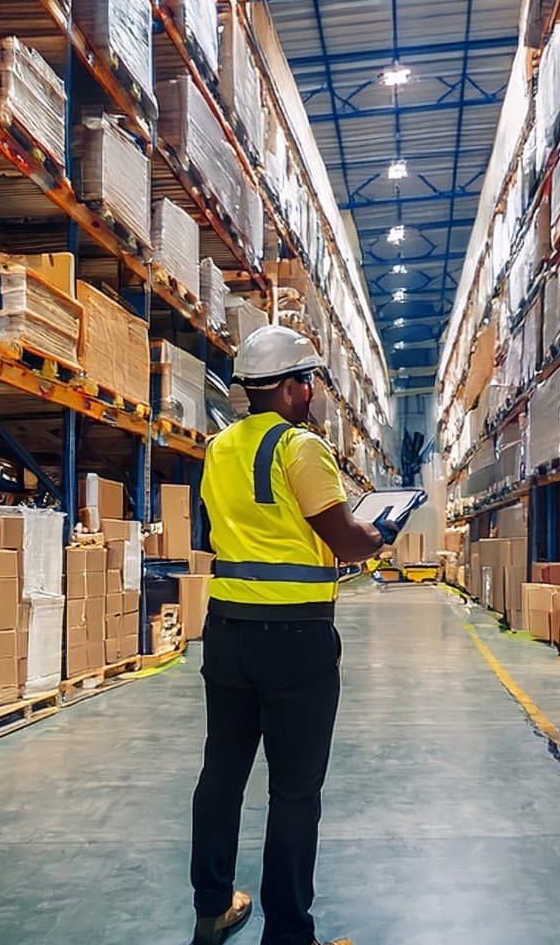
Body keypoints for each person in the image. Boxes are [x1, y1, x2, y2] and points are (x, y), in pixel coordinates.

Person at [190, 325, 399, 945]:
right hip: (296, 641)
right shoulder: (302, 448)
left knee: (222, 773)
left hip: (226, 632)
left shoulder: (219, 447)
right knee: (295, 791)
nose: (312, 392)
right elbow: (343, 537)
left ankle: (211, 907)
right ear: (285, 388)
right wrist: (380, 534)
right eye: (307, 381)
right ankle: (287, 933)